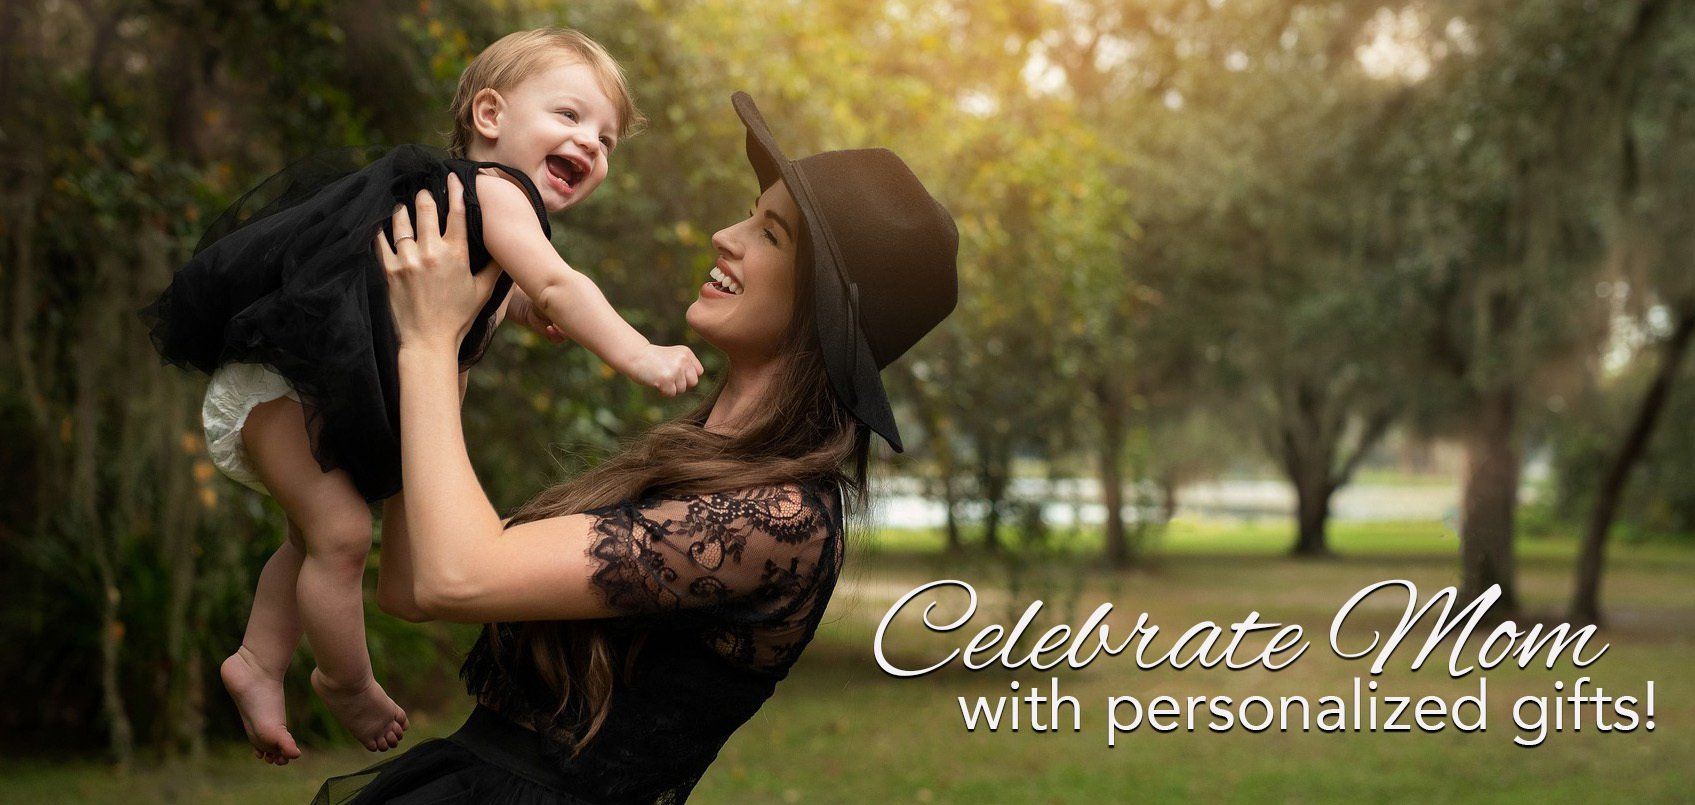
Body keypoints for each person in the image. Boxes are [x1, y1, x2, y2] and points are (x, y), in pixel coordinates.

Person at [312, 92, 958, 803]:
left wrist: (430, 342)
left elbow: (453, 577)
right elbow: (411, 582)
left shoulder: (782, 519)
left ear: (823, 311)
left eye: (770, 234)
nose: (725, 235)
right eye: (749, 212)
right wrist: (454, 349)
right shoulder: (689, 457)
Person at [141, 28, 702, 763]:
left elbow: (526, 294)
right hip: (277, 384)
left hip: (298, 394)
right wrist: (640, 353)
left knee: (314, 536)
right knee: (339, 534)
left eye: (606, 138)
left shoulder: (474, 213)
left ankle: (256, 659)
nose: (591, 144)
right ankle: (344, 679)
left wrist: (527, 309)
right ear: (490, 116)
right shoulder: (498, 193)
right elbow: (561, 282)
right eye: (569, 117)